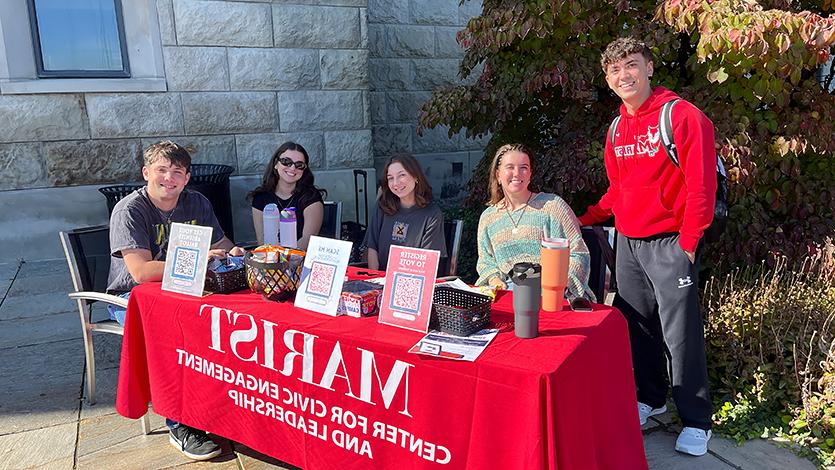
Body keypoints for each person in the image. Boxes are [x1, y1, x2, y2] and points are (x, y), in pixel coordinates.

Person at [577, 37, 716, 455]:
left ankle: (696, 419)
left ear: (649, 68)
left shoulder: (683, 116)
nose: (625, 75)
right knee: (637, 328)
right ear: (608, 79)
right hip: (630, 245)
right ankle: (651, 398)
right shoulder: (617, 127)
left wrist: (689, 244)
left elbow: (702, 187)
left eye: (632, 65)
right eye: (616, 70)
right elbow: (617, 190)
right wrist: (581, 218)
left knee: (681, 336)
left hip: (672, 243)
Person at [107, 140, 244, 461]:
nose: (169, 177)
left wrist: (236, 251)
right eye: (162, 170)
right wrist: (199, 260)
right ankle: (180, 424)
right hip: (133, 298)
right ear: (146, 173)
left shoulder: (196, 202)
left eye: (177, 172)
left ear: (186, 177)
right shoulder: (129, 210)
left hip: (185, 290)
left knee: (230, 324)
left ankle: (223, 410)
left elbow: (221, 240)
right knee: (174, 337)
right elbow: (140, 272)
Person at [475, 144, 594, 301]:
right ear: (497, 174)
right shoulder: (488, 218)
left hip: (553, 296)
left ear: (530, 173)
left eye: (524, 167)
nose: (517, 173)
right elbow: (486, 261)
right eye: (510, 167)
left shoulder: (553, 207)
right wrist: (494, 279)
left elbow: (578, 253)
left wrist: (557, 285)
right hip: (507, 295)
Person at [364, 154, 447, 271]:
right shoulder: (382, 206)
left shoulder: (432, 215)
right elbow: (372, 248)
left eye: (401, 175)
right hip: (380, 282)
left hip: (412, 281)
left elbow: (427, 263)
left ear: (416, 177)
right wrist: (375, 279)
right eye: (390, 178)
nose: (396, 183)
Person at [248, 141, 325, 250]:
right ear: (276, 163)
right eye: (286, 161)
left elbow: (307, 240)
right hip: (270, 260)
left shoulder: (311, 197)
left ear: (304, 169)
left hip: (300, 260)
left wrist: (285, 260)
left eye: (299, 165)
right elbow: (262, 241)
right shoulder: (261, 198)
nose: (292, 168)